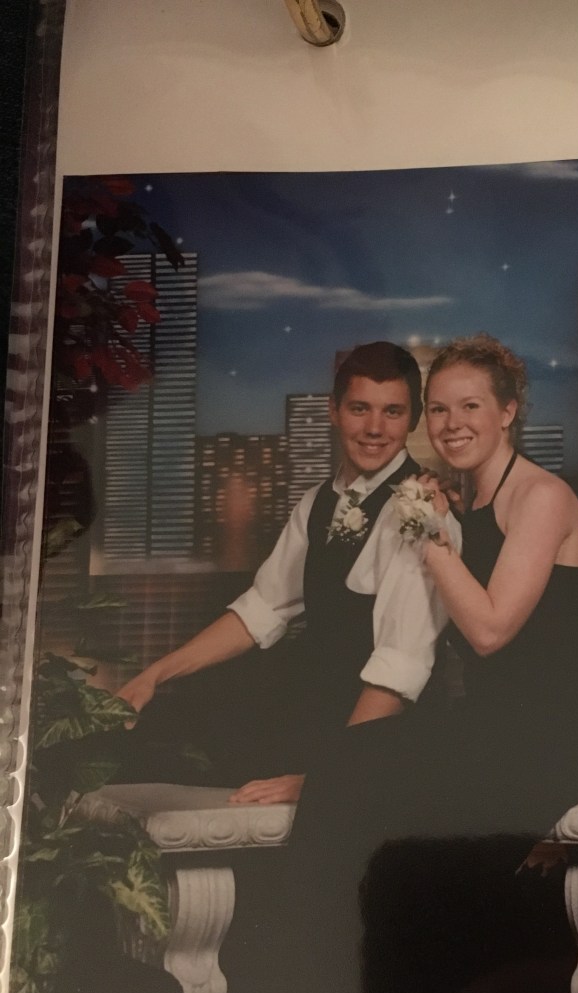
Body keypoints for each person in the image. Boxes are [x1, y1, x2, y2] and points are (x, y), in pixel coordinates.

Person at [272, 335, 578, 993]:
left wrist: (424, 531)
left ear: (508, 412)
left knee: (406, 842)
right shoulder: (452, 501)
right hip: (488, 726)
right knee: (345, 771)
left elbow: (491, 630)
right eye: (438, 409)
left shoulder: (542, 498)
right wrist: (424, 517)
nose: (453, 422)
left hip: (558, 734)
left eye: (471, 406)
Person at [116, 341, 457, 804]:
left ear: (412, 419)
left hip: (387, 749)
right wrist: (155, 675)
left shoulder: (425, 513)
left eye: (392, 412)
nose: (375, 429)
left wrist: (323, 780)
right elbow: (262, 610)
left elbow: (401, 668)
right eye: (359, 408)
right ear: (333, 411)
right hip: (323, 728)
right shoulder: (316, 502)